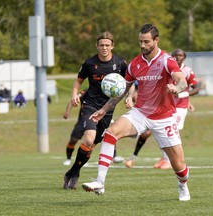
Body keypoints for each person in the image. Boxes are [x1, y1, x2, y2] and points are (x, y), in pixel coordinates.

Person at [82, 24, 191, 201]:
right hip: (140, 113)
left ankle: (183, 185)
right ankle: (100, 181)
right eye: (140, 41)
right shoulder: (135, 64)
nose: (142, 45)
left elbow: (182, 81)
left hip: (164, 118)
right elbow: (122, 90)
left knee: (178, 164)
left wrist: (176, 88)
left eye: (146, 41)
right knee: (110, 133)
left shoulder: (166, 60)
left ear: (156, 40)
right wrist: (103, 109)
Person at [63, 31, 128, 190]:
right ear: (97, 46)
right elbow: (78, 81)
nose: (104, 48)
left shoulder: (120, 64)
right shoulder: (89, 63)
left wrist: (130, 97)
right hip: (90, 105)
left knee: (92, 146)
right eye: (101, 45)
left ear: (112, 46)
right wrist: (74, 95)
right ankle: (75, 174)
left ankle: (72, 171)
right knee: (88, 140)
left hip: (108, 110)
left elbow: (129, 82)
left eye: (107, 45)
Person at [125, 48, 201, 169]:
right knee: (151, 133)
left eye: (180, 55)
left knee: (169, 133)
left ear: (184, 57)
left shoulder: (187, 71)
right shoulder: (167, 67)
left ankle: (170, 161)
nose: (177, 57)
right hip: (162, 106)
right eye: (175, 55)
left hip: (179, 107)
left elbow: (195, 88)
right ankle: (163, 158)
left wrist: (184, 97)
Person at [63, 89, 124, 166]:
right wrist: (67, 112)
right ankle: (68, 159)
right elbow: (72, 100)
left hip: (101, 119)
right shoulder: (85, 92)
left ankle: (114, 156)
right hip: (83, 120)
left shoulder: (107, 92)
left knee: (109, 135)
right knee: (73, 140)